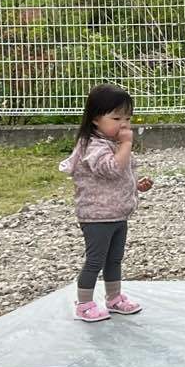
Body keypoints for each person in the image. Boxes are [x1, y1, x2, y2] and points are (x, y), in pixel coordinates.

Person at [59, 84, 153, 323]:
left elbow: (122, 174)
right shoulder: (94, 146)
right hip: (97, 215)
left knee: (114, 259)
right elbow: (111, 170)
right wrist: (126, 144)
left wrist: (136, 185)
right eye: (116, 118)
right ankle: (84, 303)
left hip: (118, 213)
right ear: (95, 120)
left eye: (128, 118)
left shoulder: (112, 143)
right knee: (95, 260)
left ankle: (114, 297)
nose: (123, 124)